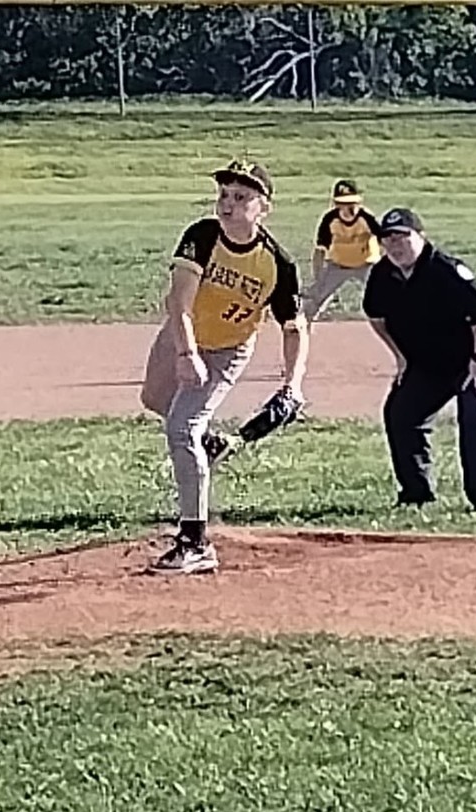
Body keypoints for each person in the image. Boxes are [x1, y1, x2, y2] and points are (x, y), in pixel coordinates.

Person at [140, 159, 310, 575]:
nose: (228, 204)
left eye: (241, 197)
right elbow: (179, 303)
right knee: (154, 399)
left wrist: (293, 385)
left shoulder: (277, 264)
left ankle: (195, 543)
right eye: (224, 195)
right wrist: (186, 354)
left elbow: (294, 328)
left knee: (181, 429)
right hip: (183, 336)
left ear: (263, 208)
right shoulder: (202, 236)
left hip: (228, 349)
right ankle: (210, 444)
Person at [362, 207, 476, 511]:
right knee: (402, 413)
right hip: (431, 360)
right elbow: (376, 316)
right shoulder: (383, 274)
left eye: (402, 237)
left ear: (421, 236)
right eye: (388, 239)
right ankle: (415, 495)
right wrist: (401, 358)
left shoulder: (445, 270)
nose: (394, 245)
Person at [302, 179, 382, 325]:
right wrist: (319, 276)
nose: (348, 207)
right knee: (316, 297)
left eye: (351, 203)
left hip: (367, 264)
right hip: (338, 265)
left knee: (383, 294)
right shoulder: (330, 220)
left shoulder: (366, 218)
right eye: (343, 203)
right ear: (336, 204)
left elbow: (385, 241)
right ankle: (302, 327)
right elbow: (320, 250)